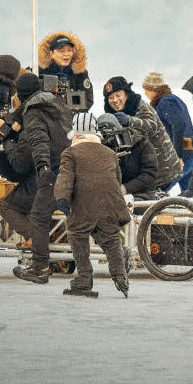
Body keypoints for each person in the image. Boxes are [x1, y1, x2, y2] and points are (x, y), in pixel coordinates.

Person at [53, 113, 132, 298]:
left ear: (75, 133)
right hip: (110, 204)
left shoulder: (70, 153)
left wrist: (62, 198)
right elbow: (117, 179)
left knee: (77, 234)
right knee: (111, 240)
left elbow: (65, 177)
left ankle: (83, 278)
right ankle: (121, 278)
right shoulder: (110, 153)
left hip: (84, 205)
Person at [4, 72, 72, 284]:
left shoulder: (33, 112)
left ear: (21, 94)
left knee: (38, 218)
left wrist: (42, 168)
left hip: (51, 170)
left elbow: (39, 140)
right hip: (70, 167)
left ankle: (40, 267)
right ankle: (118, 250)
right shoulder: (58, 104)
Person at [103, 75, 183, 192]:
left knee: (154, 202)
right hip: (142, 169)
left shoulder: (139, 106)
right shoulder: (114, 113)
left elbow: (152, 126)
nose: (115, 100)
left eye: (118, 95)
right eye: (111, 97)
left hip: (162, 168)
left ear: (126, 94)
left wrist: (130, 121)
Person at [142, 71, 193, 192]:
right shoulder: (173, 99)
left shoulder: (166, 102)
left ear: (153, 89)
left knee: (160, 188)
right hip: (190, 152)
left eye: (146, 89)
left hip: (182, 156)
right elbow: (186, 128)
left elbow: (179, 126)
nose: (145, 93)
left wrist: (177, 155)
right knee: (189, 193)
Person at [97, 112, 160, 200]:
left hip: (140, 194)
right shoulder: (98, 148)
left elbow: (150, 174)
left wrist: (125, 188)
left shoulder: (141, 144)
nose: (110, 141)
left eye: (112, 137)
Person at [37, 31, 93, 112]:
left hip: (74, 118)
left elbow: (88, 99)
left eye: (69, 50)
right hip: (48, 117)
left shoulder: (79, 72)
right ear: (51, 53)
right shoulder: (40, 71)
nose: (66, 54)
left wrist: (73, 111)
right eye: (61, 51)